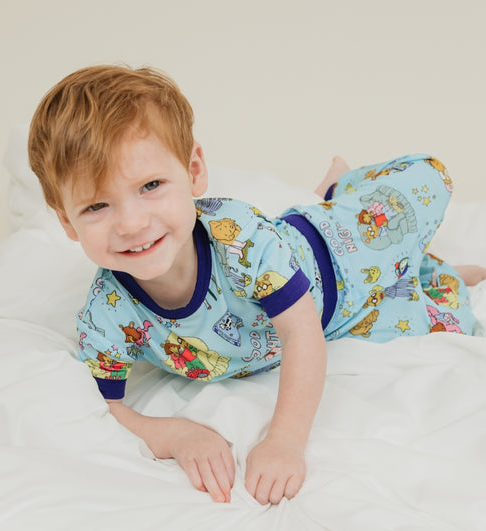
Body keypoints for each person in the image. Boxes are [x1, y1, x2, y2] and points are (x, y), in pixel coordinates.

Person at [28, 65, 486, 506]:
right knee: (448, 321)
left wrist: (284, 440)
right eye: (97, 206)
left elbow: (300, 333)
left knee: (424, 185)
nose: (131, 223)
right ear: (67, 222)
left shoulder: (240, 239)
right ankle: (431, 269)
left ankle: (337, 189)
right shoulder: (106, 315)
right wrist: (177, 435)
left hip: (337, 256)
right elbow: (106, 407)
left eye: (150, 185)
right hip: (338, 319)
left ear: (193, 172)